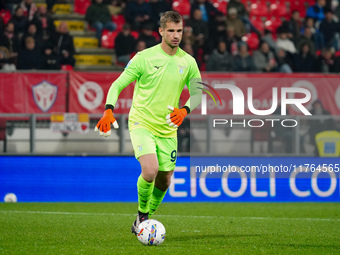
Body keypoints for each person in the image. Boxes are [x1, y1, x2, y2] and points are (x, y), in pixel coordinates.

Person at [94, 11, 202, 234]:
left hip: (168, 129)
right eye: (171, 30)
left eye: (179, 31)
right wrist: (108, 110)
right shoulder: (143, 58)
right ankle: (143, 216)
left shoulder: (188, 62)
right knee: (150, 170)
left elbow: (198, 93)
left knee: (164, 180)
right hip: (142, 122)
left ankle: (142, 218)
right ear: (161, 31)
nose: (175, 35)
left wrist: (185, 110)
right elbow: (117, 84)